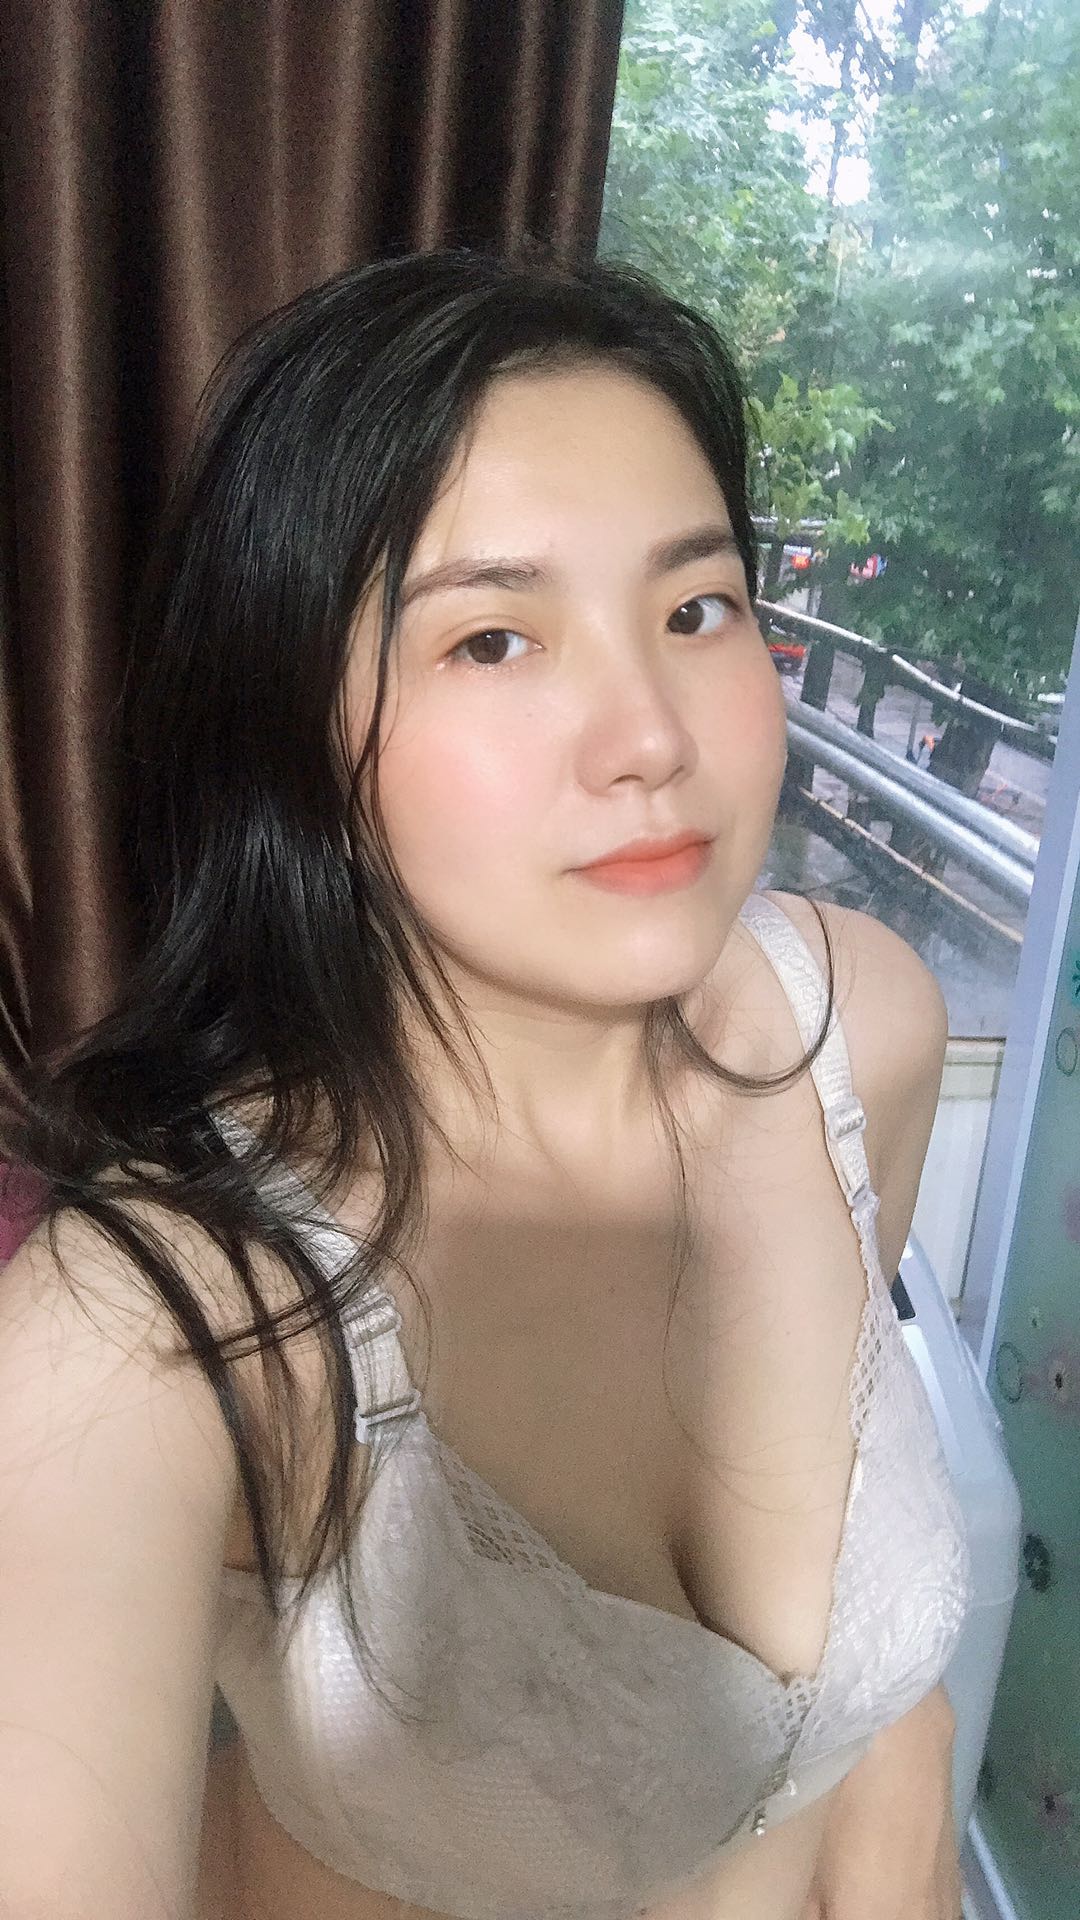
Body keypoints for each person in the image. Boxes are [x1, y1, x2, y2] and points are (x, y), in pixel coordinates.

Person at [0, 243, 972, 1920]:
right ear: (293, 726)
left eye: (696, 609)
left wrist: (900, 1782)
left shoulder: (862, 1031)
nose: (650, 735)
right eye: (495, 641)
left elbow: (846, 1671)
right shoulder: (154, 1329)